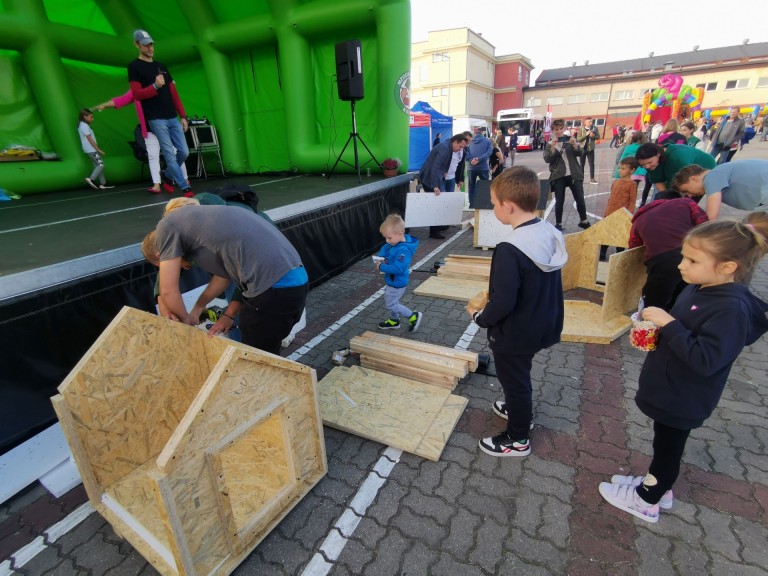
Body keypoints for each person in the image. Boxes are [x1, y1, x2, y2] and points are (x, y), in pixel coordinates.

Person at [599, 218, 768, 523]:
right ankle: (656, 483)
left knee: (668, 449)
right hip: (671, 386)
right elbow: (683, 328)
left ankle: (648, 500)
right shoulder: (700, 287)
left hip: (684, 396)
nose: (681, 264)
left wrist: (669, 324)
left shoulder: (730, 310)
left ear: (727, 267)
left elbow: (706, 359)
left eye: (692, 259)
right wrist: (656, 327)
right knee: (662, 443)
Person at [467, 166, 567, 457]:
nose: (494, 208)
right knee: (520, 374)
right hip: (543, 321)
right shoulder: (548, 230)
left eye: (495, 203)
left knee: (515, 380)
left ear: (508, 207)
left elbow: (503, 302)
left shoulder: (510, 248)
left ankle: (517, 437)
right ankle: (515, 408)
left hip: (516, 331)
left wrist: (480, 318)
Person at [142, 204, 307, 355]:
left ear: (160, 254)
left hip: (274, 289)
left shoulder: (167, 227)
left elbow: (168, 289)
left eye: (161, 265)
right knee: (267, 352)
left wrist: (185, 323)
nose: (182, 268)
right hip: (295, 284)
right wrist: (200, 308)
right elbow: (223, 278)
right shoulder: (205, 225)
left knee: (258, 361)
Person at [128, 29, 193, 195]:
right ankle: (185, 188)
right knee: (169, 154)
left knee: (184, 152)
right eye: (146, 45)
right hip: (156, 118)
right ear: (137, 45)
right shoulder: (134, 67)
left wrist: (183, 116)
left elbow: (174, 93)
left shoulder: (161, 66)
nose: (150, 48)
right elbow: (136, 94)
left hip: (172, 116)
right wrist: (155, 86)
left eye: (151, 44)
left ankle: (167, 174)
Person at [93, 91, 190, 195]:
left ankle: (184, 179)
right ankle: (157, 185)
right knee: (153, 157)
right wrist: (105, 105)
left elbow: (174, 99)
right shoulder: (136, 90)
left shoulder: (159, 85)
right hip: (149, 129)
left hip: (165, 128)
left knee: (177, 153)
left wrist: (183, 117)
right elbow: (121, 100)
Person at [628, 194, 709, 310]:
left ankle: (652, 324)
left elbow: (633, 246)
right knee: (685, 294)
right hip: (692, 256)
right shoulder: (685, 203)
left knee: (654, 301)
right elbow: (705, 225)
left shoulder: (639, 219)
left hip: (661, 261)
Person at [672, 160, 768, 220]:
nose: (690, 195)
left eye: (686, 190)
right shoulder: (720, 172)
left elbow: (711, 216)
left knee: (753, 229)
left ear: (693, 179)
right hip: (763, 200)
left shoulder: (711, 176)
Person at [374, 214, 422, 332]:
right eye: (385, 237)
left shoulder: (403, 250)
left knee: (391, 304)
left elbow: (398, 269)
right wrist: (380, 258)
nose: (387, 241)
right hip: (391, 280)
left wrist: (382, 266)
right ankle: (394, 321)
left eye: (389, 238)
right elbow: (385, 249)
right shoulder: (393, 242)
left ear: (400, 234)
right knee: (392, 301)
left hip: (397, 282)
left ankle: (413, 316)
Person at [417, 134, 469, 239]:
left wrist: (444, 172)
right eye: (460, 146)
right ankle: (434, 231)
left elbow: (440, 166)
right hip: (429, 178)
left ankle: (439, 226)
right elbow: (435, 167)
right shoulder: (445, 148)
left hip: (432, 177)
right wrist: (435, 186)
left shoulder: (448, 146)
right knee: (436, 204)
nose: (460, 150)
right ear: (455, 142)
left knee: (438, 203)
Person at [543, 119, 591, 232]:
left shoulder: (570, 140)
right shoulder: (550, 143)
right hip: (559, 175)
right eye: (556, 129)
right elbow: (547, 159)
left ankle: (584, 221)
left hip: (574, 174)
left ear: (564, 129)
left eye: (560, 129)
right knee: (559, 201)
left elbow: (581, 153)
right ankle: (558, 223)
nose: (558, 131)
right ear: (553, 130)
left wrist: (575, 145)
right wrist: (553, 148)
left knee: (580, 198)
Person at [635, 143, 716, 194]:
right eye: (643, 165)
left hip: (703, 168)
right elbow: (658, 181)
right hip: (680, 173)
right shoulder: (649, 164)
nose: (647, 167)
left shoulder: (677, 159)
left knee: (696, 195)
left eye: (649, 162)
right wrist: (668, 200)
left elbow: (688, 184)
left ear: (658, 154)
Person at [600, 157, 639, 261]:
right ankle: (602, 252)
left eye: (623, 168)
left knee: (621, 235)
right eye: (619, 168)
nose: (620, 170)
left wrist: (629, 216)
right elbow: (611, 198)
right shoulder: (615, 182)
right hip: (610, 213)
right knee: (607, 234)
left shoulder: (632, 184)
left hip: (622, 215)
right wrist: (606, 213)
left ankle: (619, 255)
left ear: (632, 170)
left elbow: (632, 201)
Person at [78, 108, 114, 190]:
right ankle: (91, 179)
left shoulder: (82, 125)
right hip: (91, 150)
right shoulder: (84, 125)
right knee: (101, 165)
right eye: (91, 117)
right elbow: (90, 139)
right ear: (84, 116)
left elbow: (89, 138)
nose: (92, 119)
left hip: (89, 150)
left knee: (98, 166)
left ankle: (103, 183)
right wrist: (98, 149)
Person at [616, 131, 649, 206]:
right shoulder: (643, 148)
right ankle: (631, 203)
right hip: (639, 172)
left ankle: (625, 203)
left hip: (630, 172)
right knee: (634, 189)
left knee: (626, 189)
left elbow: (622, 159)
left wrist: (618, 173)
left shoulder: (629, 147)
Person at [465, 128, 493, 208]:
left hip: (471, 167)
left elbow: (466, 154)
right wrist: (479, 159)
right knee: (485, 185)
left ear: (474, 134)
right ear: (482, 133)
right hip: (483, 167)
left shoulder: (470, 143)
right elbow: (489, 153)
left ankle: (471, 203)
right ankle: (485, 203)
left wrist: (471, 160)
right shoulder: (488, 141)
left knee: (471, 186)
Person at [577, 118, 599, 184]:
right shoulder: (581, 129)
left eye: (591, 122)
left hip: (590, 149)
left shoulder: (595, 128)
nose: (590, 123)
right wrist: (586, 134)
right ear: (585, 123)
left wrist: (593, 136)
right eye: (589, 122)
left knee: (591, 164)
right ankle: (581, 179)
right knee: (582, 164)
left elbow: (598, 137)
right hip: (582, 149)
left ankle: (592, 179)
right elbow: (578, 139)